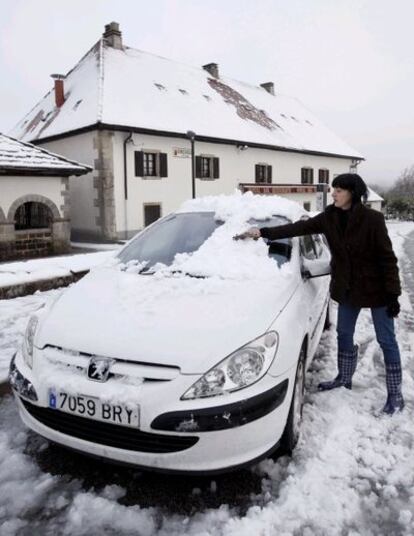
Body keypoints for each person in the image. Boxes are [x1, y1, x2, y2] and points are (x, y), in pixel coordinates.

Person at [236, 173, 404, 414]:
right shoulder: (329, 217)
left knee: (387, 341)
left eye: (339, 190)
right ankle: (344, 377)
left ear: (353, 193)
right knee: (344, 334)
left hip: (377, 290)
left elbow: (387, 259)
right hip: (347, 289)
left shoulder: (373, 219)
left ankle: (395, 395)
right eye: (333, 188)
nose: (334, 193)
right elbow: (298, 228)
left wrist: (393, 295)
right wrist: (262, 233)